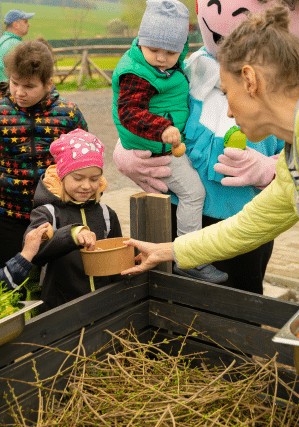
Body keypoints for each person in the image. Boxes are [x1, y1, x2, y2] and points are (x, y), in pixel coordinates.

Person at [113, 0, 299, 294]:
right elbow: (249, 226)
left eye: (226, 92)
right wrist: (169, 252)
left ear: (250, 80)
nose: (227, 113)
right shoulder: (291, 161)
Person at [112, 0, 226, 284]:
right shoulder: (137, 73)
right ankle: (188, 258)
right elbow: (128, 111)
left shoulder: (165, 65)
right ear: (141, 42)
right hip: (155, 147)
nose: (161, 58)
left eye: (171, 52)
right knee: (192, 194)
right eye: (153, 50)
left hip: (165, 141)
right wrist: (161, 127)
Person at [0, 40, 88, 267]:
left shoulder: (69, 114)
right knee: (9, 283)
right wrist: (4, 183)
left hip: (55, 214)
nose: (19, 92)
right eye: (14, 83)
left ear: (48, 83)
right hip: (7, 214)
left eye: (29, 86)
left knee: (53, 281)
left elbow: (82, 162)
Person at [24, 129, 123, 313]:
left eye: (94, 179)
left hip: (104, 308)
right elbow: (33, 252)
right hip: (61, 312)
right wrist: (71, 235)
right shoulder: (47, 213)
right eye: (78, 178)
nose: (86, 186)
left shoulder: (107, 214)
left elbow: (116, 263)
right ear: (62, 175)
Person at [0, 9, 34, 102]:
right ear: (16, 25)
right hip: (10, 101)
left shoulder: (0, 41)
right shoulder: (17, 45)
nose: (28, 24)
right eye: (25, 22)